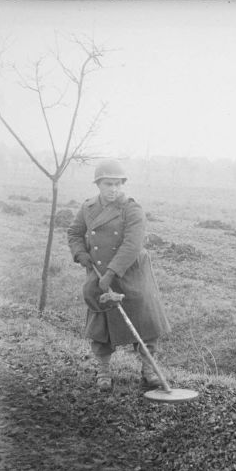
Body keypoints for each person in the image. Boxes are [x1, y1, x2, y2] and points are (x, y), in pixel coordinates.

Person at [67, 159, 171, 392]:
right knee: (101, 322)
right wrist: (80, 253)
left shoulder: (132, 209)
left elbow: (132, 245)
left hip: (131, 272)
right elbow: (74, 232)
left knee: (145, 321)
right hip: (99, 272)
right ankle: (103, 371)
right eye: (108, 184)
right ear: (98, 184)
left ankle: (149, 371)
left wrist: (112, 272)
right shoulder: (88, 208)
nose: (113, 189)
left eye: (117, 184)